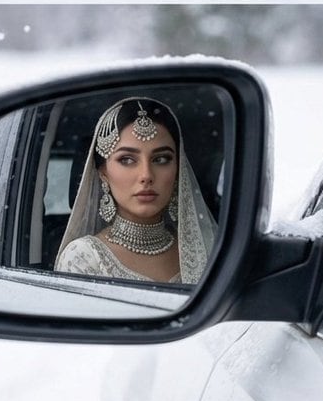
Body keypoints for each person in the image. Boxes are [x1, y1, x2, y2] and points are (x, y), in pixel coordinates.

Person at [54, 97, 216, 285]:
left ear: (178, 170)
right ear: (104, 173)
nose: (146, 175)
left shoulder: (204, 248)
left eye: (161, 159)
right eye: (127, 160)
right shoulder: (84, 258)